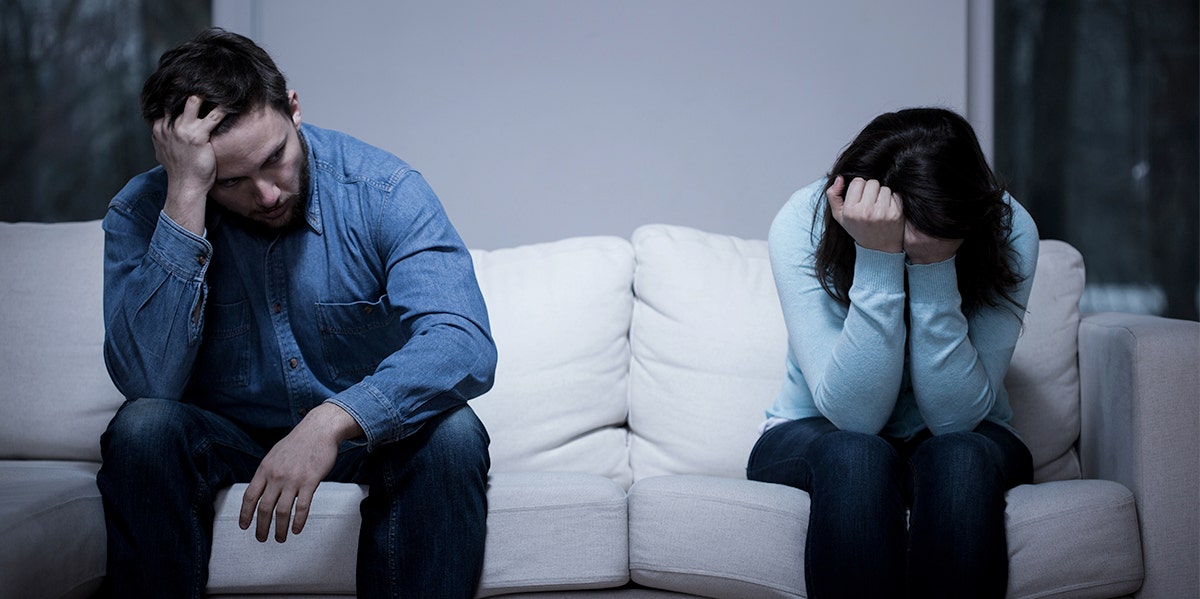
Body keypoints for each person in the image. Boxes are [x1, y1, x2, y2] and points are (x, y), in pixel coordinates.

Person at [97, 28, 496, 598]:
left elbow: (463, 342)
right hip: (227, 438)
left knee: (452, 433)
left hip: (363, 437)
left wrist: (330, 420)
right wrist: (186, 196)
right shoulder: (141, 212)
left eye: (274, 158)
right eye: (229, 181)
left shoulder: (383, 192)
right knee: (143, 428)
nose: (265, 194)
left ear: (294, 108)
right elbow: (148, 381)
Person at [746, 108, 1039, 598]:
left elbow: (953, 420)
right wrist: (878, 258)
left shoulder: (1007, 228)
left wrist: (933, 262)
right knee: (856, 454)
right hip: (817, 429)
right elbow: (855, 419)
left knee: (960, 455)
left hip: (966, 431)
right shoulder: (804, 219)